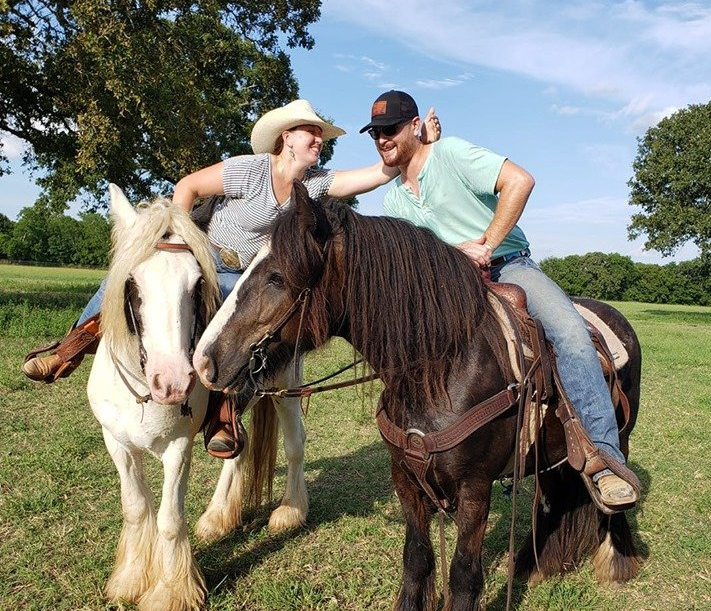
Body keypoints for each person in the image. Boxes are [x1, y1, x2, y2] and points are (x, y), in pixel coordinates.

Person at [23, 98, 441, 454]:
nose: (318, 139)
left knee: (246, 327)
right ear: (286, 139)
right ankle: (69, 348)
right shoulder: (251, 170)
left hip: (248, 276)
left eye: (320, 134)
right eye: (309, 132)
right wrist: (179, 236)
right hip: (206, 261)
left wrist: (418, 144)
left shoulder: (315, 184)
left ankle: (225, 408)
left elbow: (378, 174)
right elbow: (187, 186)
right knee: (128, 276)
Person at [359, 90, 639, 510]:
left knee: (569, 335)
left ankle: (603, 459)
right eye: (375, 133)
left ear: (415, 126)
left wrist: (487, 244)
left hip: (510, 267)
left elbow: (519, 181)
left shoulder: (450, 154)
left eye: (390, 129)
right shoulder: (396, 199)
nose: (382, 139)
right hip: (448, 288)